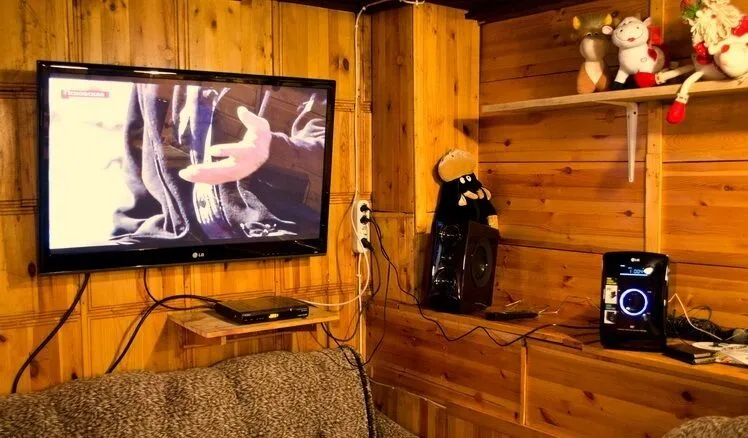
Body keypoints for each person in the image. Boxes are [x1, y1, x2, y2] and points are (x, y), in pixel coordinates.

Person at [110, 82, 325, 246]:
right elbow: (138, 168)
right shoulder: (154, 73)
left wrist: (274, 150)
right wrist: (122, 244)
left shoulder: (291, 64)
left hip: (273, 245)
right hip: (174, 243)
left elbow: (332, 150)